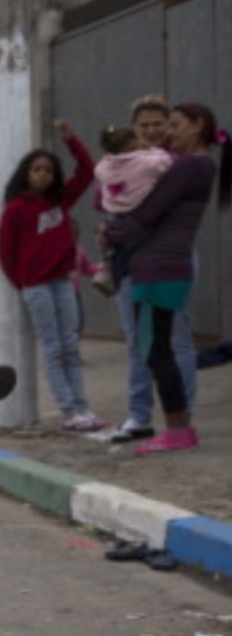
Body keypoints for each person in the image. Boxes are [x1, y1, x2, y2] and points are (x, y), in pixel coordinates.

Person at [106, 101, 230, 455]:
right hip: (165, 267)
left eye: (175, 125)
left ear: (197, 126)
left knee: (156, 348)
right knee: (157, 346)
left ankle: (178, 428)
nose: (169, 133)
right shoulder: (198, 165)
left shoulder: (191, 166)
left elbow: (147, 214)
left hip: (159, 268)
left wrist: (112, 234)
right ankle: (179, 426)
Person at [0, 119, 106, 432]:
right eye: (36, 169)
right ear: (26, 174)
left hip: (62, 282)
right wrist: (22, 282)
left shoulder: (60, 200)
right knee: (53, 347)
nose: (43, 174)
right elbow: (6, 251)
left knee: (71, 345)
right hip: (36, 287)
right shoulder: (16, 209)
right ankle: (69, 411)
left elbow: (87, 170)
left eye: (48, 169)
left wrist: (72, 140)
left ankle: (83, 408)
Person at [108, 95, 197, 444]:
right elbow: (104, 198)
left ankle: (181, 417)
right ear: (134, 128)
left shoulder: (179, 163)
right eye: (144, 125)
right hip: (130, 257)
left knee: (177, 339)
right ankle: (139, 416)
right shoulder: (121, 162)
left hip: (172, 257)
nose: (152, 130)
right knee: (137, 340)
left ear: (170, 127)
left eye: (159, 123)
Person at [90, 124, 172, 296]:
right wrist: (152, 149)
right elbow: (166, 161)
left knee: (113, 248)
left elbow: (101, 167)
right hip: (137, 217)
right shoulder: (147, 162)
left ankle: (106, 268)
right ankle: (116, 276)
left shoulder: (103, 167)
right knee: (134, 252)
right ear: (131, 144)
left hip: (113, 218)